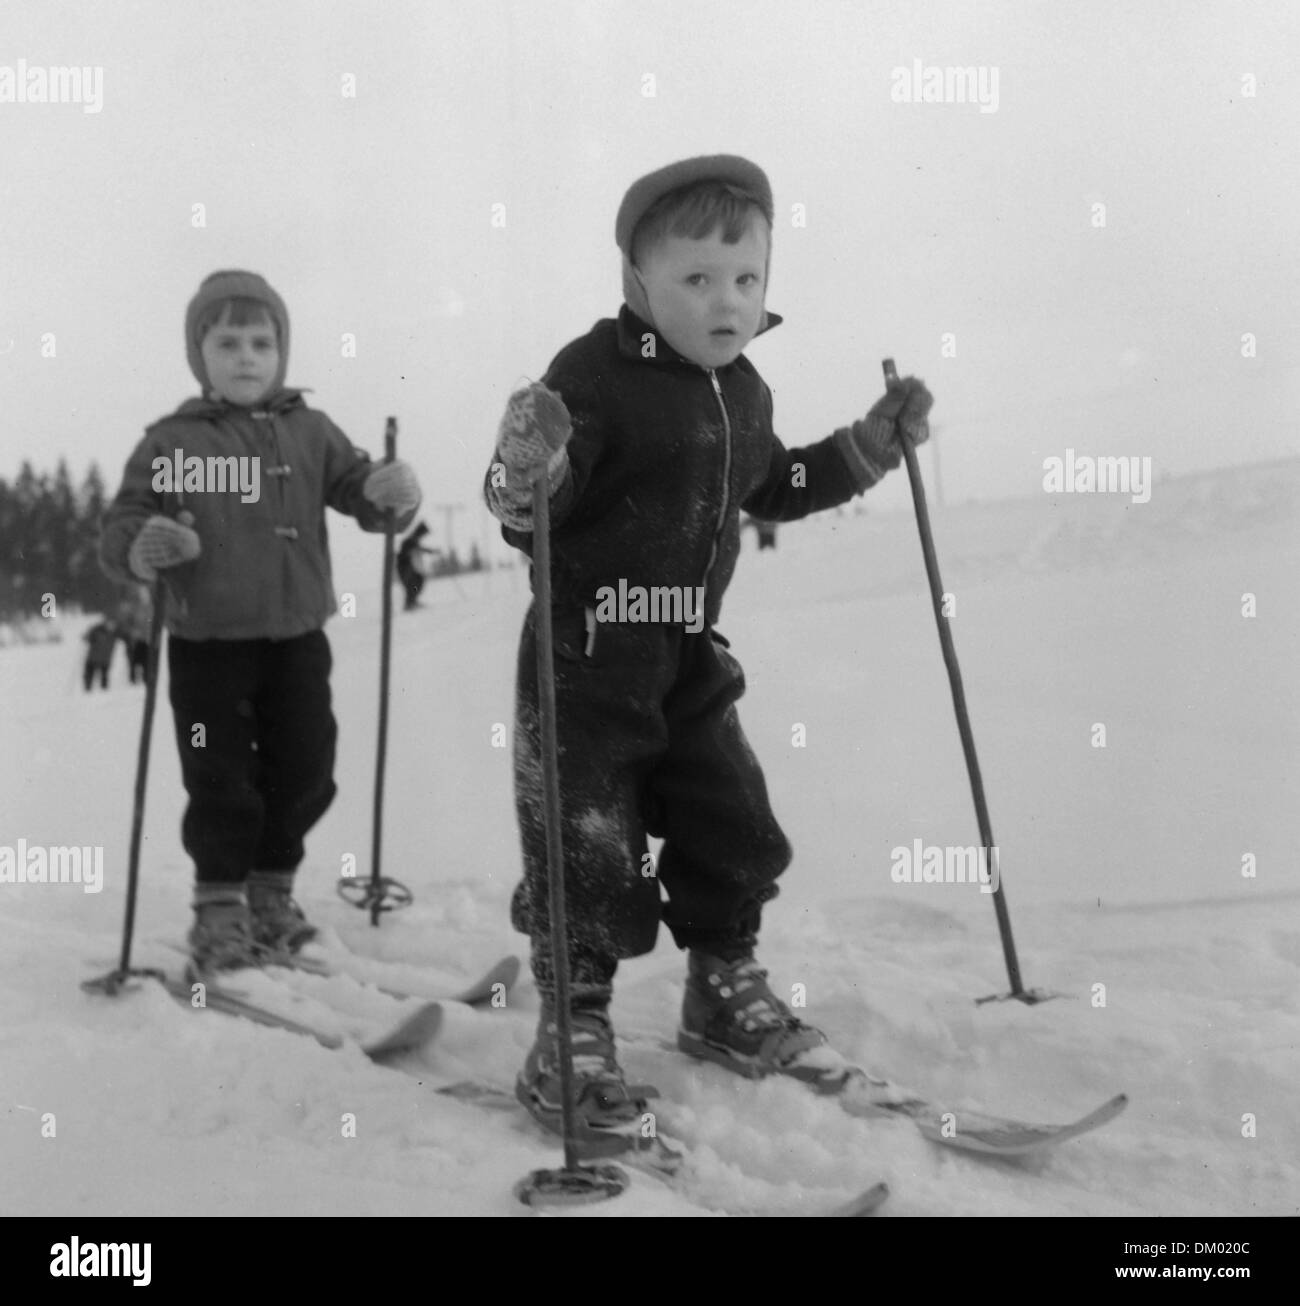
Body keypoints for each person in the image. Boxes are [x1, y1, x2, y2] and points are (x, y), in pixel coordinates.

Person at [483, 155, 934, 1152]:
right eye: (695, 279)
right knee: (587, 846)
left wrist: (868, 444)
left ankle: (721, 989)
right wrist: (528, 463)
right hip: (584, 656)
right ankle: (575, 1026)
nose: (725, 302)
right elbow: (531, 515)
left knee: (731, 821)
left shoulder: (744, 390)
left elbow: (777, 485)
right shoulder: (591, 374)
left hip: (687, 653)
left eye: (746, 280)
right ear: (636, 284)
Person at [100, 270, 422, 976]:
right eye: (227, 342)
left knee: (306, 766)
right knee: (220, 778)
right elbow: (124, 520)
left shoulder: (310, 429)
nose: (247, 356)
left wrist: (385, 491)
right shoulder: (171, 440)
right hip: (205, 644)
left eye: (261, 341)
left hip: (297, 638)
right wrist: (146, 542)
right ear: (200, 354)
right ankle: (220, 907)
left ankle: (270, 894)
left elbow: (359, 489)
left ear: (281, 350)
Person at [116, 585, 153, 683]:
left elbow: (150, 623)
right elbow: (125, 623)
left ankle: (145, 679)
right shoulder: (130, 607)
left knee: (145, 661)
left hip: (144, 639)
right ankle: (133, 680)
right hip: (133, 640)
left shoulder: (148, 608)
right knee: (133, 661)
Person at [396, 521, 435, 609]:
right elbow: (409, 550)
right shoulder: (409, 541)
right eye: (423, 534)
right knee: (412, 584)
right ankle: (410, 603)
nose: (423, 536)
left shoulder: (413, 541)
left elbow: (418, 548)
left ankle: (412, 601)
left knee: (417, 582)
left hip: (409, 567)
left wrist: (429, 551)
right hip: (405, 567)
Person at [82, 618, 118, 690]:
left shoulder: (113, 635)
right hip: (94, 657)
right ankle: (88, 689)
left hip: (103, 659)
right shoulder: (97, 631)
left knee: (103, 676)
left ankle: (103, 691)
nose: (110, 627)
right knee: (89, 675)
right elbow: (87, 638)